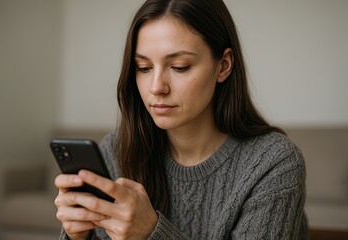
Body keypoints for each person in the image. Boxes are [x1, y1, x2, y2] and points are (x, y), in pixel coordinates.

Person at [54, 0, 308, 239]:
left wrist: (151, 232)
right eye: (144, 68)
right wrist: (79, 236)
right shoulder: (116, 151)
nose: (156, 87)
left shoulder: (274, 164)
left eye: (179, 66)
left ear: (224, 66)